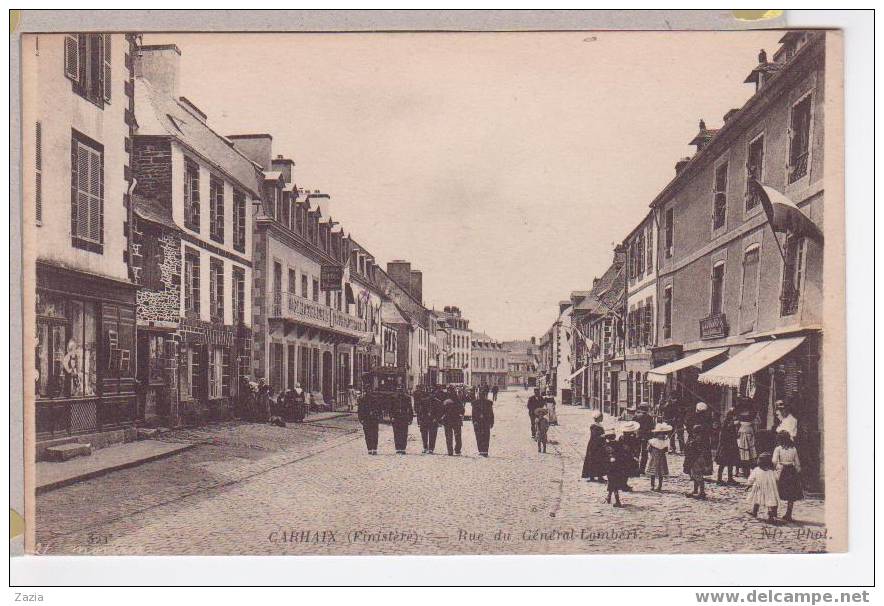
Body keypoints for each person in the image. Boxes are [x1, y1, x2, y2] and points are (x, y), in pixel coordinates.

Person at [772, 431, 802, 522]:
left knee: (776, 491)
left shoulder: (778, 449)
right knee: (791, 494)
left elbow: (774, 461)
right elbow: (797, 463)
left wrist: (775, 469)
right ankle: (788, 514)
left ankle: (774, 512)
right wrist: (797, 472)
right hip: (791, 471)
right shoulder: (793, 449)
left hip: (782, 471)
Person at [746, 452, 781, 523]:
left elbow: (751, 478)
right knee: (769, 502)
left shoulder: (756, 469)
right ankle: (770, 516)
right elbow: (777, 478)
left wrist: (749, 485)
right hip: (769, 489)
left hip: (759, 488)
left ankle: (754, 512)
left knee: (756, 500)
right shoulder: (771, 471)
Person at [684, 424, 711, 499]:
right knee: (695, 476)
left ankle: (702, 492)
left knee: (698, 476)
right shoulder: (699, 439)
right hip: (698, 459)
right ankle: (696, 490)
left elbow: (694, 449)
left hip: (696, 460)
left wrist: (690, 444)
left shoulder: (697, 440)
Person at [715, 409, 741, 485]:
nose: (735, 417)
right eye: (734, 416)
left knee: (731, 463)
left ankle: (730, 479)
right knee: (722, 463)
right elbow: (723, 436)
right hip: (725, 447)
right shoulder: (726, 424)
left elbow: (733, 435)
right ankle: (719, 479)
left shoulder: (731, 424)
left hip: (731, 446)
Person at [604, 429, 629, 507]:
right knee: (613, 481)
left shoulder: (607, 446)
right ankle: (609, 497)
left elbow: (605, 456)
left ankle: (617, 500)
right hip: (620, 466)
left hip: (610, 467)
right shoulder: (619, 444)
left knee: (612, 482)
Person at [646, 423, 671, 492]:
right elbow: (648, 449)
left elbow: (666, 450)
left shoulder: (665, 442)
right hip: (654, 458)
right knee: (653, 473)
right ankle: (652, 485)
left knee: (661, 473)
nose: (662, 435)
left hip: (661, 459)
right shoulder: (652, 441)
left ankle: (659, 486)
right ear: (656, 434)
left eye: (663, 434)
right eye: (660, 434)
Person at [389, 388, 414, 455]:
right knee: (396, 433)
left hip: (404, 417)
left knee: (404, 433)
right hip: (396, 417)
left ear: (403, 390)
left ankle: (403, 448)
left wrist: (410, 418)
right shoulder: (393, 397)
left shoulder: (407, 397)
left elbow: (410, 408)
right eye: (398, 390)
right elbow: (390, 408)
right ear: (397, 390)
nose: (400, 391)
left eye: (401, 390)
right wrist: (391, 417)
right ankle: (398, 448)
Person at [442, 388, 465, 456]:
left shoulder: (446, 401)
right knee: (458, 436)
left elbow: (442, 411)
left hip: (447, 420)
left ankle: (450, 451)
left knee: (448, 436)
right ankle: (457, 450)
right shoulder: (458, 401)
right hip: (456, 420)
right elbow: (463, 410)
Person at [471, 390, 495, 457]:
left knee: (482, 436)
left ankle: (483, 450)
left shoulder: (488, 403)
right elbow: (473, 414)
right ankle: (483, 450)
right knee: (483, 436)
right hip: (482, 422)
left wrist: (492, 421)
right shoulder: (475, 403)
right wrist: (492, 422)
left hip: (483, 421)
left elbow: (491, 413)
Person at [635, 403, 655, 473]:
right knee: (644, 453)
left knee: (636, 452)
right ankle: (642, 469)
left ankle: (635, 468)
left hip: (637, 436)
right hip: (646, 437)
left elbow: (632, 426)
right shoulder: (649, 417)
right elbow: (652, 428)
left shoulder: (636, 416)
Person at [737, 410, 758, 477]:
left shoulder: (741, 426)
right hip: (748, 443)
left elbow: (738, 434)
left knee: (744, 456)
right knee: (748, 456)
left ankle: (743, 471)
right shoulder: (750, 426)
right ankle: (746, 472)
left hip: (744, 444)